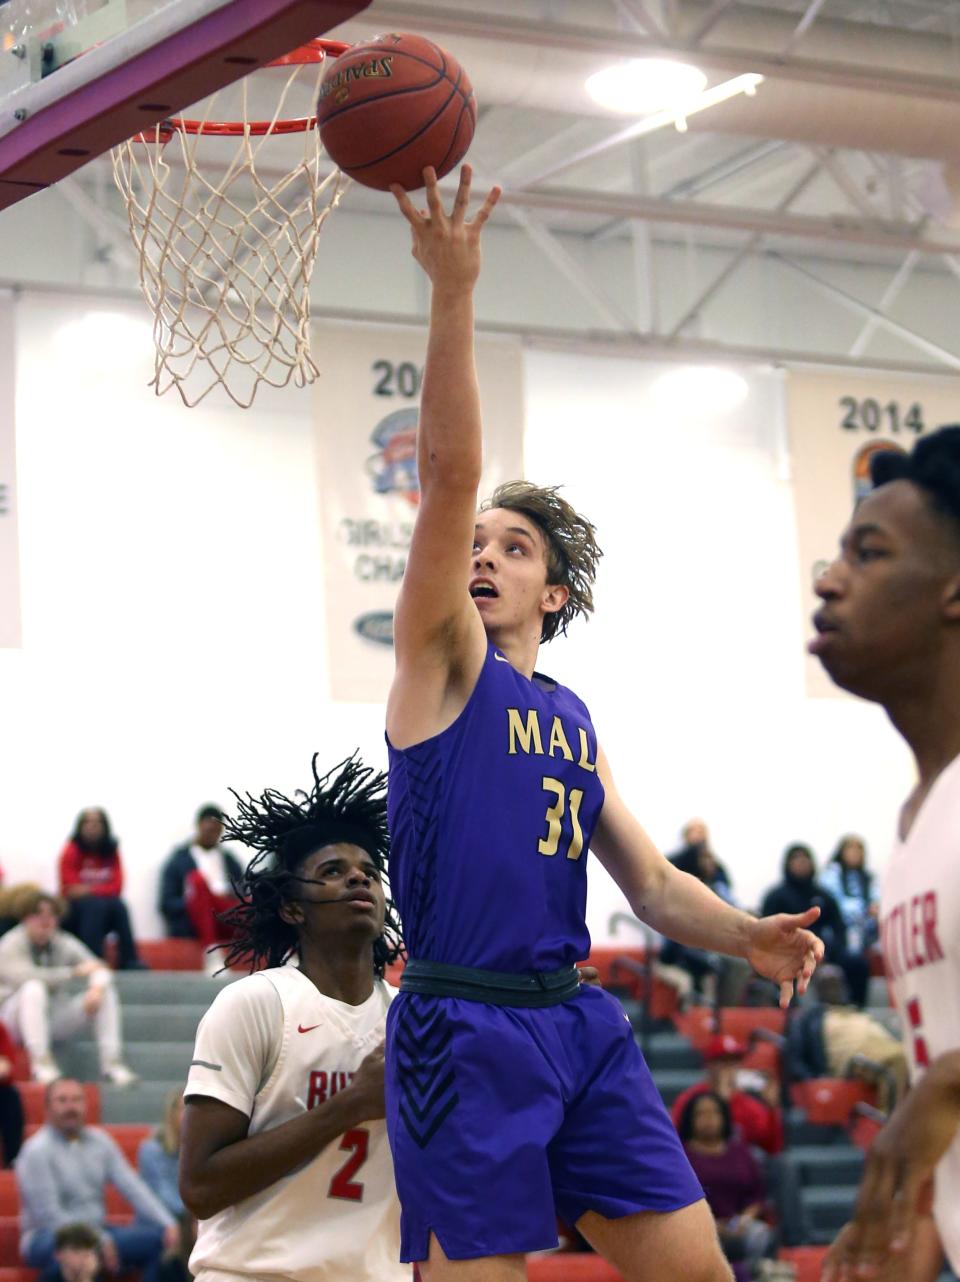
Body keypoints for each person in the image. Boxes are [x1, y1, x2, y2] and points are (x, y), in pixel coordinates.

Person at [383, 164, 823, 1282]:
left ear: (556, 594)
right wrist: (452, 292)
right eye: (475, 542)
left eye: (513, 547)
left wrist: (747, 934)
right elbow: (444, 474)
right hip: (463, 1029)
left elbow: (654, 886)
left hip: (577, 1029)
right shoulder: (441, 664)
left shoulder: (572, 719)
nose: (482, 552)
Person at [811, 425, 960, 1282]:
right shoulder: (913, 828)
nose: (828, 581)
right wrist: (906, 1231)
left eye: (868, 555)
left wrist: (944, 1090)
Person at [179, 754, 411, 1282]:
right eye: (333, 870)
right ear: (292, 909)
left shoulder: (409, 1016)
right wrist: (350, 1104)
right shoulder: (255, 1003)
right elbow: (200, 1187)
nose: (358, 878)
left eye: (370, 873)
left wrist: (546, 1008)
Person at [16, 1077, 178, 1280]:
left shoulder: (101, 1142)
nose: (70, 1107)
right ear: (47, 1108)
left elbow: (133, 1187)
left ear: (85, 1105)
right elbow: (49, 1215)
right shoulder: (35, 1151)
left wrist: (168, 1224)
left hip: (98, 1230)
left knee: (162, 1242)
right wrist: (97, 1240)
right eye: (62, 1100)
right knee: (79, 1254)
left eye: (76, 1100)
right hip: (48, 1237)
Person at [0, 891, 137, 1086]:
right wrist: (71, 973)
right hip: (11, 1021)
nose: (45, 921)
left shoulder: (63, 941)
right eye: (38, 915)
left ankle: (112, 1064)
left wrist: (97, 987)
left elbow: (97, 966)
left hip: (49, 1018)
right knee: (33, 988)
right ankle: (42, 1064)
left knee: (104, 992)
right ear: (25, 917)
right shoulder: (10, 943)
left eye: (51, 915)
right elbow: (22, 976)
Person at [677, 1091, 774, 1282]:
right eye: (701, 1114)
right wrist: (712, 1225)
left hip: (737, 1225)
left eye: (714, 1113)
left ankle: (750, 1273)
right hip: (697, 1228)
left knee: (761, 1235)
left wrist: (744, 1220)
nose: (708, 1119)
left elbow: (756, 1196)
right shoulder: (680, 1155)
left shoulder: (740, 1152)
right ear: (690, 1119)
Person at [760, 845, 870, 1007]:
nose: (801, 863)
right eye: (796, 859)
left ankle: (857, 1011)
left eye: (805, 859)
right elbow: (766, 931)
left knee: (858, 964)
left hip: (823, 952)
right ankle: (788, 1014)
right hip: (788, 952)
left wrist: (825, 953)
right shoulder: (776, 897)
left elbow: (839, 929)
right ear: (788, 864)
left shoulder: (824, 896)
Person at [659, 821, 745, 1005]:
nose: (698, 837)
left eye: (701, 832)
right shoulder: (673, 866)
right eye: (693, 832)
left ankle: (726, 1013)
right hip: (680, 945)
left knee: (736, 965)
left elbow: (729, 903)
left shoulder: (718, 875)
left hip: (711, 940)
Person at [158, 805, 243, 972]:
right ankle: (211, 952)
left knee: (262, 895)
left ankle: (284, 951)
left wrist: (228, 895)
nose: (212, 835)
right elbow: (166, 903)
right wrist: (194, 901)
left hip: (225, 914)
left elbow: (244, 890)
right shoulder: (179, 860)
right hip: (194, 917)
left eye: (217, 831)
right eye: (209, 830)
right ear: (199, 827)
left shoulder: (229, 860)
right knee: (198, 882)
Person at [58, 808, 144, 970]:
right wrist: (100, 891)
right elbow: (70, 889)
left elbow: (117, 886)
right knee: (95, 906)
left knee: (119, 906)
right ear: (80, 827)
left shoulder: (112, 851)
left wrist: (89, 889)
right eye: (88, 823)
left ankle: (129, 960)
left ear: (105, 827)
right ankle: (92, 960)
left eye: (97, 823)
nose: (92, 827)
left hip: (103, 906)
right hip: (75, 912)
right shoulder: (70, 850)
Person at [671, 1034, 783, 1155]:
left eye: (734, 1061)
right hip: (697, 1166)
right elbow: (675, 1141)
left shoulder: (749, 1105)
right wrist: (720, 1100)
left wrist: (772, 1109)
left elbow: (772, 1147)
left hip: (736, 1169)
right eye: (723, 1061)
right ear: (710, 1065)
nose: (729, 1068)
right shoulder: (690, 1099)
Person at [819, 835, 880, 956]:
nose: (855, 853)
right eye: (850, 848)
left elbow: (876, 900)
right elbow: (834, 904)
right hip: (838, 933)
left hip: (866, 932)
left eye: (859, 849)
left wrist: (874, 908)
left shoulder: (868, 878)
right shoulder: (831, 874)